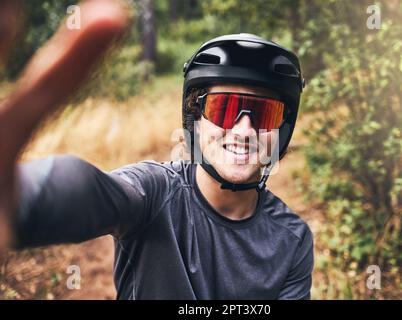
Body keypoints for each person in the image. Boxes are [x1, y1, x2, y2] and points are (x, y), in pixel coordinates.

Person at [0, 1, 313, 300]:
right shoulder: (153, 193)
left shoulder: (292, 239)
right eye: (225, 109)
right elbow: (95, 191)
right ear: (197, 120)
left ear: (280, 132)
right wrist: (26, 198)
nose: (244, 132)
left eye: (264, 115)